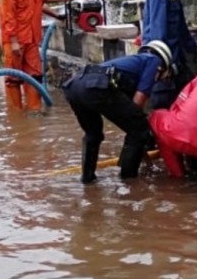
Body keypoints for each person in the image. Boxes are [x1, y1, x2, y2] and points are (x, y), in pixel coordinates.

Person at [62, 40, 173, 184]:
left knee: (93, 135)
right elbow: (137, 107)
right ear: (162, 66)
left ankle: (87, 180)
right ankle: (128, 182)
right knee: (139, 130)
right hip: (95, 87)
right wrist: (144, 135)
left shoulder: (131, 66)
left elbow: (128, 114)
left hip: (74, 86)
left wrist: (142, 152)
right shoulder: (153, 61)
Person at [0, 0, 90, 113]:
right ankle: (16, 115)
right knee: (13, 79)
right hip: (14, 42)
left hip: (32, 39)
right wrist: (13, 43)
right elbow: (8, 18)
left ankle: (34, 111)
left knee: (34, 75)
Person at [141, 0, 197, 109]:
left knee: (187, 104)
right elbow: (158, 30)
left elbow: (178, 25)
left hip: (176, 61)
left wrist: (192, 47)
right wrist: (161, 64)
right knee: (162, 111)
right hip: (164, 64)